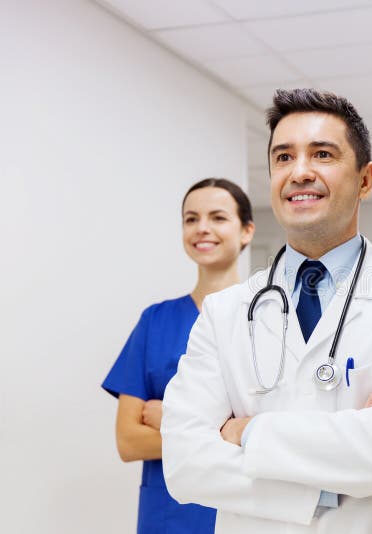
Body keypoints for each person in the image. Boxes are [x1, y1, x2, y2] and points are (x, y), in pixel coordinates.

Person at [160, 88, 372, 534]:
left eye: (322, 154)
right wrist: (326, 485)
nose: (299, 172)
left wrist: (247, 433)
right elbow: (186, 465)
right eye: (283, 158)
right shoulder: (225, 313)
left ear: (365, 179)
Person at [102, 178, 256, 533]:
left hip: (243, 506)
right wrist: (228, 430)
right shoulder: (155, 321)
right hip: (169, 515)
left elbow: (274, 428)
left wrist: (169, 418)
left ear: (246, 231)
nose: (202, 228)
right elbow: (128, 441)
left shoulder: (269, 319)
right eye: (191, 219)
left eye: (218, 217)